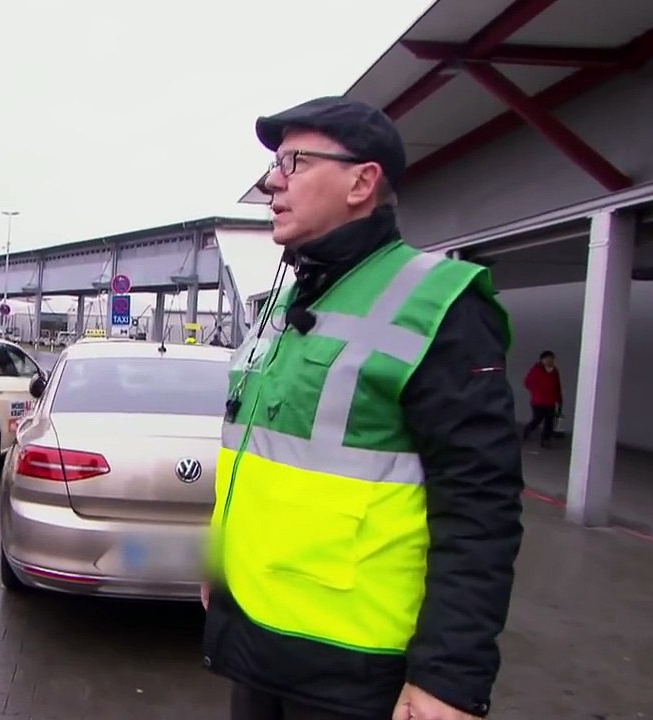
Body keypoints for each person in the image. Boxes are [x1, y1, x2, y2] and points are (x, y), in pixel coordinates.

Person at [202, 97, 525, 720]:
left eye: (294, 162)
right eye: (274, 164)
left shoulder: (439, 304)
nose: (272, 182)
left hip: (357, 668)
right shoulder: (290, 301)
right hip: (258, 643)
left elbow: (480, 504)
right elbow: (257, 460)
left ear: (361, 182)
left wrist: (449, 679)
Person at [522, 350, 562, 447]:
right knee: (538, 418)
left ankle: (545, 439)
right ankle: (526, 431)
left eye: (552, 359)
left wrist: (559, 400)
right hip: (538, 401)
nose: (550, 361)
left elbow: (557, 386)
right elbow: (527, 382)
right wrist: (537, 391)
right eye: (548, 359)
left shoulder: (555, 371)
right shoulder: (536, 370)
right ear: (542, 360)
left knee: (549, 421)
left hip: (551, 401)